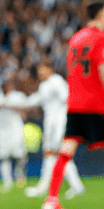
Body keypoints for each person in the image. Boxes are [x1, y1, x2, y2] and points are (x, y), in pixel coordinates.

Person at [40, 1, 104, 209]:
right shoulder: (103, 38)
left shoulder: (75, 39)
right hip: (96, 103)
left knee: (66, 150)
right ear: (102, 13)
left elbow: (71, 67)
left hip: (75, 102)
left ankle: (51, 200)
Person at [23, 63, 84, 199]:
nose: (40, 73)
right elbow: (37, 100)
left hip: (59, 122)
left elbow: (66, 98)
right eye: (39, 70)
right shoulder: (44, 85)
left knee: (59, 154)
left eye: (42, 69)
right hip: (50, 123)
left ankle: (52, 186)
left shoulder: (57, 81)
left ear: (50, 69)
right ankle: (73, 186)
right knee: (50, 154)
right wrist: (18, 103)